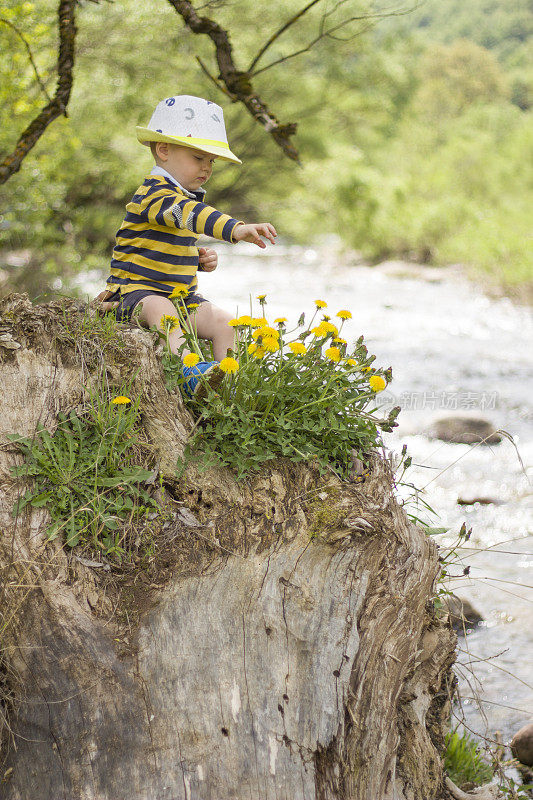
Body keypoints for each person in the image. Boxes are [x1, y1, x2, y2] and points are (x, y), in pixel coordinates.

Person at [94, 94, 277, 395]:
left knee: (225, 323)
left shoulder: (183, 196)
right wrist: (235, 228)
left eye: (211, 161)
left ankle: (230, 384)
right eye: (198, 158)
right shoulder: (155, 194)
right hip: (133, 296)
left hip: (180, 297)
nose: (206, 168)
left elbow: (164, 248)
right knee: (159, 309)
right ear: (164, 150)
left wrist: (196, 261)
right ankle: (193, 376)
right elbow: (188, 214)